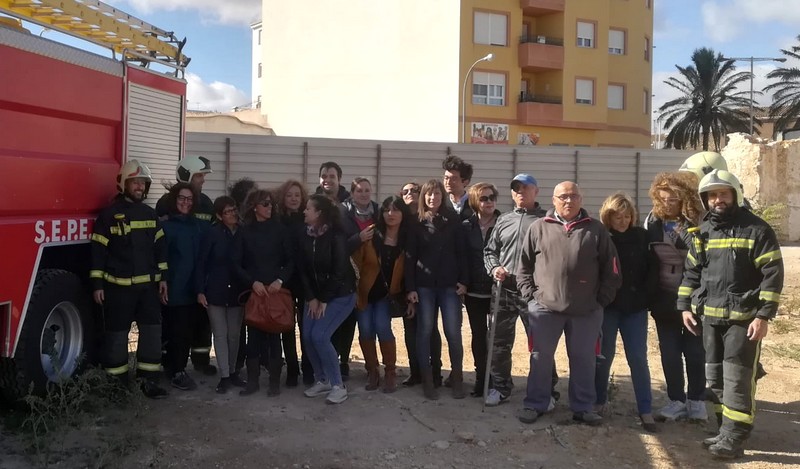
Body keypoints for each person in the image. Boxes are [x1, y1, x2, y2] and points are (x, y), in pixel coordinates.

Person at [679, 170, 784, 459]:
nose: (717, 200)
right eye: (712, 195)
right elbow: (692, 272)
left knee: (737, 379)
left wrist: (763, 316)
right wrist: (684, 307)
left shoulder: (757, 230)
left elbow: (773, 276)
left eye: (723, 193)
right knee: (714, 378)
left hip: (744, 320)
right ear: (705, 200)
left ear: (735, 195)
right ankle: (724, 431)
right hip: (710, 320)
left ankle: (735, 438)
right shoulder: (703, 232)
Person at [516, 181, 621, 425]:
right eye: (563, 196)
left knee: (584, 360)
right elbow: (523, 267)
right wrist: (531, 297)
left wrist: (600, 300)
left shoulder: (596, 230)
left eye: (573, 196)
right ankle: (535, 404)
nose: (568, 201)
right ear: (553, 200)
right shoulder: (538, 227)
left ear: (581, 200)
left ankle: (583, 407)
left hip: (586, 311)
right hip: (545, 310)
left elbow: (612, 269)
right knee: (540, 359)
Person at [90, 159, 168, 399]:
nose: (140, 188)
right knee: (116, 337)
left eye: (143, 184)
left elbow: (160, 249)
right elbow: (97, 252)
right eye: (135, 182)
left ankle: (149, 383)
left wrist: (164, 278)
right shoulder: (108, 215)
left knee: (152, 335)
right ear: (124, 183)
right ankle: (117, 387)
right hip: (118, 289)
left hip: (148, 290)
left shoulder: (149, 214)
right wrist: (97, 285)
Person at [644, 172, 707, 421]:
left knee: (695, 352)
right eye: (664, 200)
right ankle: (676, 400)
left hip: (695, 298)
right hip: (664, 297)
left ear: (685, 198)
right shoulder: (653, 222)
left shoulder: (698, 221)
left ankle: (697, 400)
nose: (669, 204)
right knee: (669, 352)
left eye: (674, 199)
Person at [483, 174, 550, 407]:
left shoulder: (547, 220)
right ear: (512, 194)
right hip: (504, 287)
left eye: (526, 188)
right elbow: (490, 251)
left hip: (533, 291)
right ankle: (501, 388)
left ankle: (546, 391)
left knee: (540, 344)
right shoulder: (503, 220)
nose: (521, 192)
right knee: (498, 341)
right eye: (516, 189)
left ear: (536, 191)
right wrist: (494, 268)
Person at [594, 192, 657, 433]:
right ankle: (599, 402)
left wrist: (646, 297)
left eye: (626, 216)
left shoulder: (642, 237)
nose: (622, 221)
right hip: (608, 308)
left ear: (633, 217)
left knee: (638, 359)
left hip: (635, 309)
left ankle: (645, 409)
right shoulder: (601, 237)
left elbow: (653, 270)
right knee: (603, 357)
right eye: (617, 216)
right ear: (608, 217)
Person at [405, 179, 468, 400]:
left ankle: (457, 378)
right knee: (425, 331)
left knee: (453, 332)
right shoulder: (416, 222)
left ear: (442, 197)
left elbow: (462, 253)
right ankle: (428, 380)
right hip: (424, 287)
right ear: (424, 197)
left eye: (437, 194)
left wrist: (464, 280)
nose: (433, 198)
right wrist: (410, 288)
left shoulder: (454, 220)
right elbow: (410, 258)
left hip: (450, 286)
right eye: (429, 194)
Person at [156, 155, 216, 376]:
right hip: (176, 276)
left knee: (200, 321)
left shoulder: (207, 203)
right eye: (199, 175)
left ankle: (200, 359)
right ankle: (169, 364)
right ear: (186, 175)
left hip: (198, 275)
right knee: (172, 325)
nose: (203, 180)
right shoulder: (165, 204)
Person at [233, 189, 294, 397]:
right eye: (265, 204)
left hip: (275, 292)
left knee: (275, 338)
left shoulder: (280, 230)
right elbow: (236, 263)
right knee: (253, 339)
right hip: (255, 293)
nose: (270, 207)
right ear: (254, 207)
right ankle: (252, 382)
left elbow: (291, 261)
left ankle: (274, 384)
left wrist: (280, 280)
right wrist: (252, 283)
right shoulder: (244, 231)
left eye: (271, 204)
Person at [300, 195, 357, 404]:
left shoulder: (336, 235)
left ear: (319, 213)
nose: (304, 212)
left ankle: (337, 385)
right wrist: (312, 297)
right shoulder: (305, 234)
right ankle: (322, 379)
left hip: (341, 295)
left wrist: (323, 299)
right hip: (316, 297)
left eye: (308, 209)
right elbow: (303, 270)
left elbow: (339, 271)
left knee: (320, 336)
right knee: (307, 336)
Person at [351, 196, 410, 393]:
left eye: (395, 210)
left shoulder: (407, 239)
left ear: (403, 213)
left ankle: (390, 371)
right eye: (386, 210)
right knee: (366, 330)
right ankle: (372, 370)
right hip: (366, 293)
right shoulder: (371, 234)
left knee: (383, 328)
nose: (391, 214)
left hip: (387, 295)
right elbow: (355, 260)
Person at [196, 196, 248, 394]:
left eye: (234, 209)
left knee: (234, 336)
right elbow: (201, 263)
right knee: (220, 334)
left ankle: (234, 372)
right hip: (215, 292)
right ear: (219, 216)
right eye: (227, 211)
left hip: (237, 292)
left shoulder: (243, 233)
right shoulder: (212, 234)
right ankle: (224, 375)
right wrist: (200, 290)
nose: (233, 214)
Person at [398, 181, 444, 387]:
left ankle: (435, 372)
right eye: (405, 191)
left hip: (425, 283)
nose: (410, 194)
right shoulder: (398, 216)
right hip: (403, 282)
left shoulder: (426, 220)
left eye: (414, 190)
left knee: (429, 328)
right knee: (410, 329)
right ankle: (415, 371)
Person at [160, 182, 204, 392]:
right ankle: (174, 370)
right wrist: (164, 281)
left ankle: (178, 368)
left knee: (184, 332)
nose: (185, 203)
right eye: (181, 198)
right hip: (172, 287)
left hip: (191, 288)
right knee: (172, 330)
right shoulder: (165, 226)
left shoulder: (197, 225)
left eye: (189, 199)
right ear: (173, 200)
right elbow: (161, 257)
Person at [335, 177, 380, 381]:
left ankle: (347, 360)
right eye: (359, 191)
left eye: (367, 190)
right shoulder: (342, 213)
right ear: (352, 193)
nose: (363, 194)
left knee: (358, 322)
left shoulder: (379, 212)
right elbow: (337, 246)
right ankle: (337, 361)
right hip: (347, 274)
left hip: (371, 276)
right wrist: (358, 239)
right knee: (342, 321)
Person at [462, 182, 501, 397]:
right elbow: (461, 257)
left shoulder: (504, 223)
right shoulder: (466, 226)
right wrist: (462, 281)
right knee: (479, 335)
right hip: (474, 291)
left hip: (499, 290)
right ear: (476, 201)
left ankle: (497, 380)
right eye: (484, 198)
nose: (489, 201)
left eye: (492, 197)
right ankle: (480, 379)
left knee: (497, 337)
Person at [276, 179, 313, 386]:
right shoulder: (277, 220)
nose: (293, 198)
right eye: (289, 195)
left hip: (305, 280)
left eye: (297, 195)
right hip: (284, 281)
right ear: (283, 197)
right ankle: (292, 369)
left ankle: (308, 368)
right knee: (287, 327)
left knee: (306, 327)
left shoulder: (308, 220)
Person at [442, 155, 474, 220]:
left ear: (466, 182)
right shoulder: (441, 204)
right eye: (446, 178)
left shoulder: (474, 204)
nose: (448, 182)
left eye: (454, 179)